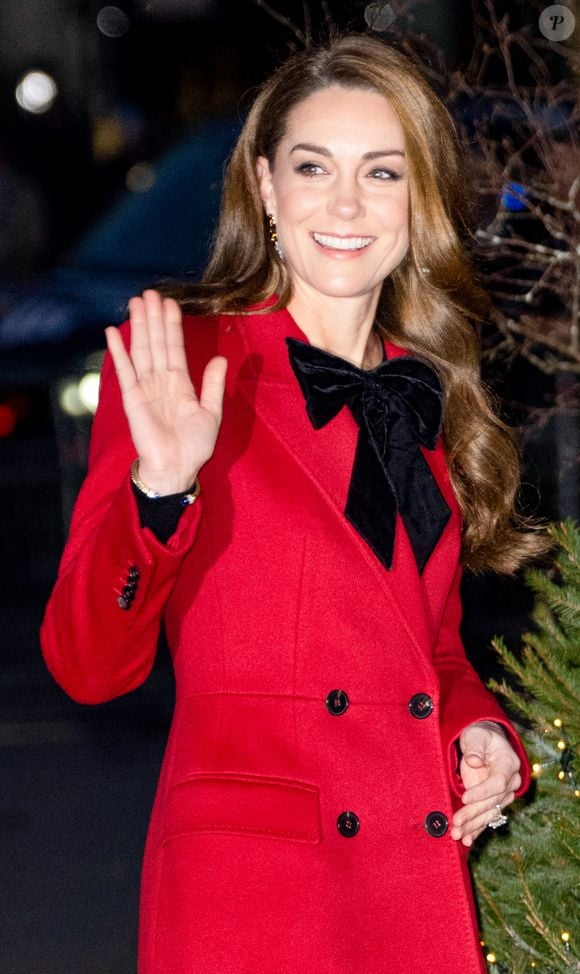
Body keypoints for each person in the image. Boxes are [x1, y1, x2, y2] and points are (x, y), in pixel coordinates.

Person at [41, 33, 547, 974]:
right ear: (266, 189)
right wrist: (162, 488)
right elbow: (87, 666)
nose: (346, 204)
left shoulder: (426, 394)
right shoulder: (185, 364)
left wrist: (481, 732)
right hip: (254, 906)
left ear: (418, 202)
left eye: (382, 173)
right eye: (313, 167)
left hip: (406, 888)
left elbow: (426, 651)